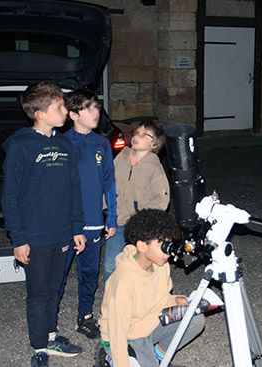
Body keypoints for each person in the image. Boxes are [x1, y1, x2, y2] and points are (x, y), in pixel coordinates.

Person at [1, 82, 87, 367]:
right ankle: (39, 346)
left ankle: (51, 334)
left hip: (62, 231)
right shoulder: (20, 145)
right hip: (35, 235)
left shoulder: (63, 143)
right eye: (59, 107)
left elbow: (74, 188)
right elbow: (10, 196)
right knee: (38, 293)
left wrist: (77, 227)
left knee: (55, 287)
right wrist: (18, 238)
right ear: (40, 113)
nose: (66, 111)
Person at [99, 209, 205, 367]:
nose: (168, 251)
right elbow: (117, 334)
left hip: (150, 323)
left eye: (169, 243)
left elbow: (160, 299)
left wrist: (175, 300)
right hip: (128, 336)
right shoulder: (124, 281)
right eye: (162, 245)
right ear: (141, 246)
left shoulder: (161, 265)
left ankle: (159, 356)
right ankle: (109, 359)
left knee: (194, 318)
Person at [56, 89, 118, 340]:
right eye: (88, 107)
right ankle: (50, 323)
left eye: (97, 107)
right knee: (57, 276)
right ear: (72, 114)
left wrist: (111, 218)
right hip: (64, 223)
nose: (96, 112)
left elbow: (109, 183)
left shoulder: (102, 143)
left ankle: (85, 316)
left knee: (89, 273)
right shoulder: (60, 143)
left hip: (93, 221)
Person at [102, 120, 170, 282]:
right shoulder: (121, 157)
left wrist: (142, 216)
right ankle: (111, 302)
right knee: (110, 265)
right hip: (117, 222)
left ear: (154, 144)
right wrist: (106, 207)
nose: (137, 135)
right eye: (136, 131)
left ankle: (141, 299)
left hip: (140, 226)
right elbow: (108, 183)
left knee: (141, 265)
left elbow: (162, 200)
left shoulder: (154, 167)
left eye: (145, 134)